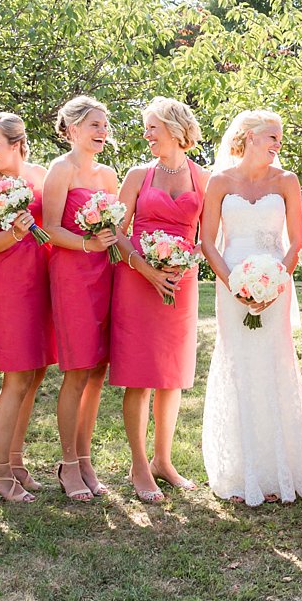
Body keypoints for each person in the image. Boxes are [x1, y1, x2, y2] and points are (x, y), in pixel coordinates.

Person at [199, 110, 302, 505]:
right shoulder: (220, 182)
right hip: (230, 283)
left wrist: (277, 282)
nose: (278, 144)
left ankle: (277, 470)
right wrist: (233, 284)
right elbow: (208, 242)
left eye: (279, 138)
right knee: (238, 364)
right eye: (271, 137)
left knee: (274, 363)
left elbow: (297, 241)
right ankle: (241, 473)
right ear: (248, 137)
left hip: (277, 284)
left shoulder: (287, 181)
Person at [110, 97, 210, 502]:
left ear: (174, 128)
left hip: (180, 282)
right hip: (137, 280)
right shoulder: (137, 175)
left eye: (153, 127)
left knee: (171, 376)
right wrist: (146, 268)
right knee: (140, 375)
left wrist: (186, 259)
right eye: (146, 127)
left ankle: (163, 461)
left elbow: (210, 238)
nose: (147, 134)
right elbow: (116, 231)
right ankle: (138, 465)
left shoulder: (204, 178)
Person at [0, 112, 55, 503]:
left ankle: (16, 462)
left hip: (43, 280)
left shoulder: (39, 175)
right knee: (16, 377)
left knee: (36, 374)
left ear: (17, 142)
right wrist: (14, 233)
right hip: (9, 286)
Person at [41, 96, 120, 501]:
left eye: (104, 125)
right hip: (72, 274)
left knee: (98, 371)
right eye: (94, 125)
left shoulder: (109, 175)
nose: (102, 131)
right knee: (77, 369)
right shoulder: (61, 169)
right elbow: (50, 228)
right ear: (72, 129)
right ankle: (68, 464)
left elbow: (118, 228)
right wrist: (88, 244)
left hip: (105, 274)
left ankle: (86, 459)